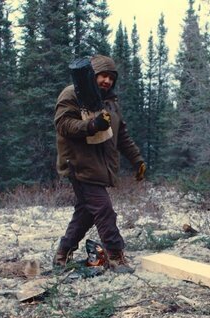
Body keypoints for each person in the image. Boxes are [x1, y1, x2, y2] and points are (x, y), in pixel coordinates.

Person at [53, 54, 146, 273]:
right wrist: (92, 125)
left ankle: (62, 253)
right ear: (91, 74)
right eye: (103, 76)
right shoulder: (72, 94)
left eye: (111, 78)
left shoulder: (110, 102)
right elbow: (63, 124)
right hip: (79, 163)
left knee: (86, 213)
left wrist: (137, 160)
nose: (107, 81)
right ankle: (115, 256)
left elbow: (121, 135)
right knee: (104, 210)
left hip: (101, 166)